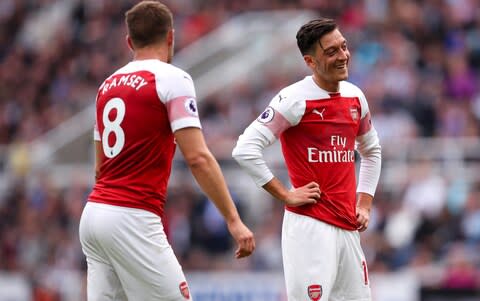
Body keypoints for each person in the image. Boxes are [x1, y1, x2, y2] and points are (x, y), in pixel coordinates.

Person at [79, 1, 255, 300]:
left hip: (94, 215)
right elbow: (198, 158)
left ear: (129, 41)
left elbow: (99, 168)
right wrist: (233, 220)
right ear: (171, 36)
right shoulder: (172, 79)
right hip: (133, 216)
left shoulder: (107, 86)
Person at [233, 18, 381, 301]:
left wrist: (364, 202)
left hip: (348, 227)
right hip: (310, 228)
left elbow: (372, 150)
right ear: (310, 62)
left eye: (344, 47)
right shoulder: (294, 99)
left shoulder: (355, 97)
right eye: (332, 52)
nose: (343, 56)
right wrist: (285, 194)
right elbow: (245, 149)